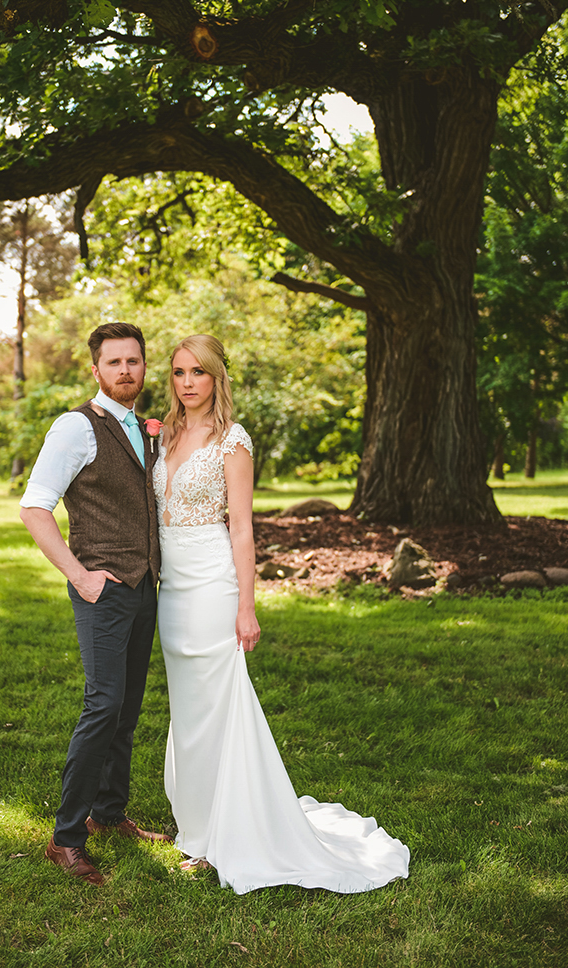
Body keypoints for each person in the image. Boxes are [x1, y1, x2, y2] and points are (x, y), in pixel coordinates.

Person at [155, 334, 410, 894]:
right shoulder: (166, 434)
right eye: (178, 372)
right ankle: (194, 825)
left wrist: (247, 605)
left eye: (198, 371)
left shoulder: (233, 442)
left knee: (220, 704)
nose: (188, 382)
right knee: (188, 708)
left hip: (212, 584)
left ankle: (228, 831)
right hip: (170, 590)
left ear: (217, 377)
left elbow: (242, 527)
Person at [20, 321, 170, 888]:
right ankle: (65, 838)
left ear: (143, 367)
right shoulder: (75, 427)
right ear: (96, 370)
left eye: (134, 361)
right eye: (114, 363)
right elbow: (35, 508)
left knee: (128, 708)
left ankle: (109, 814)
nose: (125, 371)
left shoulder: (143, 427)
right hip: (102, 589)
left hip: (144, 587)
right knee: (103, 704)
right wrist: (79, 575)